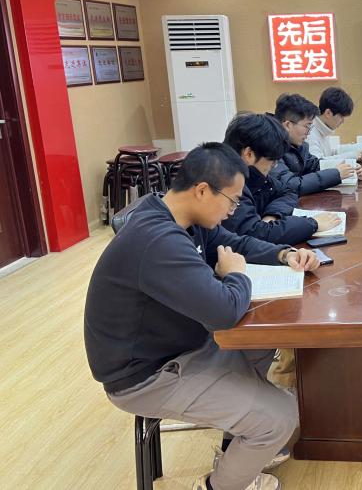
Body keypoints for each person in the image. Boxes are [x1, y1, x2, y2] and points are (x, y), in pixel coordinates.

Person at [84, 143, 321, 490]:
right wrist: (236, 275)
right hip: (146, 376)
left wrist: (285, 254)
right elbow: (223, 311)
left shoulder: (181, 216)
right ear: (202, 191)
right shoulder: (158, 240)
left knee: (260, 343)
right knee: (282, 418)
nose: (233, 210)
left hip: (180, 345)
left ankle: (237, 442)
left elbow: (235, 243)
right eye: (232, 201)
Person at [222, 112, 341, 244]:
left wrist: (272, 215)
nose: (274, 166)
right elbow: (256, 235)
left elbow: (288, 191)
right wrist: (313, 223)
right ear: (249, 154)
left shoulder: (255, 175)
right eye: (272, 160)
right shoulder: (228, 184)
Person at [271, 94, 359, 195]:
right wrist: (335, 174)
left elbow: (315, 165)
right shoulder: (270, 147)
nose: (309, 132)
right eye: (307, 126)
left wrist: (350, 167)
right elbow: (291, 185)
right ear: (287, 125)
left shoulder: (299, 145)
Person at [307, 87, 362, 163]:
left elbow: (327, 155)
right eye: (341, 117)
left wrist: (350, 149)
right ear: (328, 113)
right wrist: (351, 155)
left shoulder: (323, 127)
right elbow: (318, 163)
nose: (343, 121)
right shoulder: (309, 133)